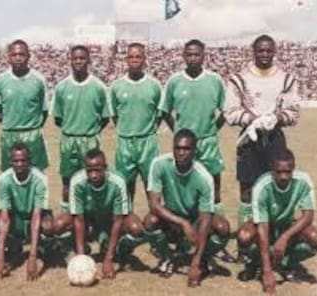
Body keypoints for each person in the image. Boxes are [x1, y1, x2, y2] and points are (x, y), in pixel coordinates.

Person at [224, 34, 300, 230]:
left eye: (268, 50)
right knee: (247, 189)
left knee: (278, 185)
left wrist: (277, 118)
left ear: (274, 51)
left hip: (275, 139)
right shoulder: (239, 79)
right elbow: (230, 112)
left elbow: (294, 112)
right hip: (248, 139)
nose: (264, 54)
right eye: (260, 50)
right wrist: (252, 120)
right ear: (254, 51)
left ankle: (275, 234)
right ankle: (246, 241)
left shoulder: (286, 79)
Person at [144, 129, 230, 287]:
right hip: (171, 217)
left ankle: (202, 258)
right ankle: (167, 257)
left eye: (186, 149)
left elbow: (205, 218)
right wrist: (183, 223)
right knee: (150, 221)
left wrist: (195, 263)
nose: (181, 152)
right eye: (178, 148)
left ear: (194, 151)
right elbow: (154, 204)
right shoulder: (159, 164)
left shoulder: (204, 177)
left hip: (195, 219)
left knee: (222, 227)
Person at [237, 149, 317, 295]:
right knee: (244, 236)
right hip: (265, 224)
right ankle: (255, 263)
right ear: (272, 170)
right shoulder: (261, 186)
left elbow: (308, 215)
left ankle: (287, 264)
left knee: (316, 238)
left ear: (293, 169)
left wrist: (285, 237)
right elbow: (262, 228)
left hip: (286, 224)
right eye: (279, 172)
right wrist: (267, 272)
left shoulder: (303, 181)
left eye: (288, 171)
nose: (283, 176)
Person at [52, 148, 146, 279]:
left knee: (137, 228)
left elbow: (118, 220)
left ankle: (121, 249)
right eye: (89, 170)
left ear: (105, 168)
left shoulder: (118, 181)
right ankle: (82, 247)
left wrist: (109, 259)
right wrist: (81, 258)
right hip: (89, 221)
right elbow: (78, 219)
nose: (93, 175)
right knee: (58, 225)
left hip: (111, 220)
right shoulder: (77, 181)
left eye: (97, 169)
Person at [159, 39, 226, 212]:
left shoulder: (215, 80)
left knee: (214, 180)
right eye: (189, 54)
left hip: (207, 141)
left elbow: (226, 110)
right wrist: (179, 132)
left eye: (197, 54)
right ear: (183, 56)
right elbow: (165, 111)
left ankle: (215, 218)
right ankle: (186, 219)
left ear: (204, 56)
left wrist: (212, 129)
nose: (193, 58)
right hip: (184, 146)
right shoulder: (174, 81)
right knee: (184, 181)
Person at [50, 45, 110, 212]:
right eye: (75, 58)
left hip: (90, 140)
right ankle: (66, 216)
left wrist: (89, 131)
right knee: (67, 181)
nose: (79, 61)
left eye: (82, 58)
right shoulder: (62, 87)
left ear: (89, 60)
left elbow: (105, 118)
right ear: (70, 61)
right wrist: (73, 129)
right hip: (68, 140)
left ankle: (93, 219)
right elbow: (58, 118)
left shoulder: (98, 87)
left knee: (94, 180)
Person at [110, 42, 161, 201]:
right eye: (131, 56)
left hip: (148, 142)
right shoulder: (116, 86)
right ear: (126, 59)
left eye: (138, 56)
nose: (134, 60)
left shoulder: (154, 85)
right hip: (125, 142)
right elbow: (115, 114)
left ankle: (156, 222)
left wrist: (147, 130)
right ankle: (126, 222)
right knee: (125, 187)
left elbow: (159, 114)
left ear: (144, 59)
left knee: (152, 186)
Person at [0, 143, 53, 281]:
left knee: (48, 226)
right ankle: (8, 245)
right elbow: (4, 218)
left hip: (35, 216)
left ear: (29, 161)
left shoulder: (39, 179)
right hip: (16, 218)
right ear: (10, 162)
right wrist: (0, 257)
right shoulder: (4, 180)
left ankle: (43, 245)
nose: (19, 164)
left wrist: (32, 258)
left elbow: (37, 215)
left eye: (23, 160)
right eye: (16, 161)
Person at [0, 39, 49, 172]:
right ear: (9, 58)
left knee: (36, 174)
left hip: (32, 134)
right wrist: (10, 123)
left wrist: (32, 127)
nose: (18, 58)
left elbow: (44, 110)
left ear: (28, 56)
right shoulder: (0, 80)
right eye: (14, 55)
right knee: (9, 174)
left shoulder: (39, 79)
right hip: (9, 135)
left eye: (22, 54)